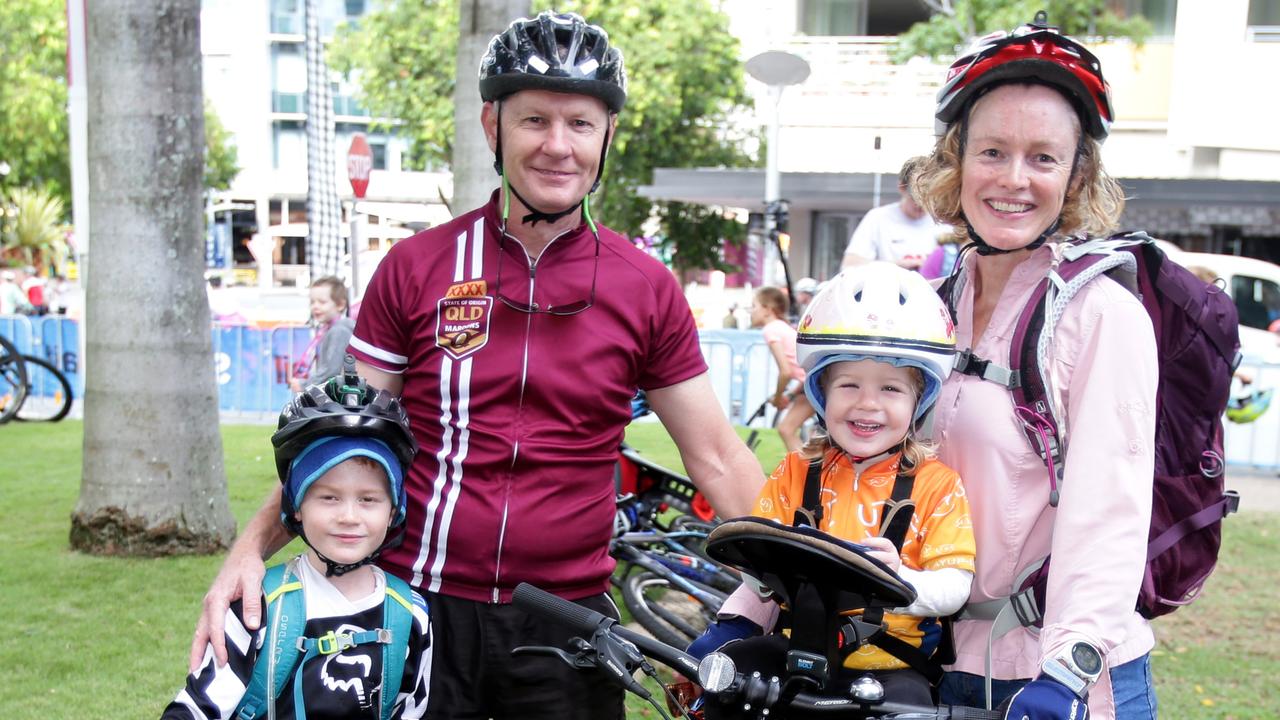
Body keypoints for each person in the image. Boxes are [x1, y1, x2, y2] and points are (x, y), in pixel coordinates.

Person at [190, 11, 763, 720]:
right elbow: (340, 444)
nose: (559, 146)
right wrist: (248, 551)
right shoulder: (416, 268)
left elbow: (715, 455)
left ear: (607, 134)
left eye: (581, 124)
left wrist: (794, 587)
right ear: (493, 127)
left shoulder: (645, 287)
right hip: (415, 605)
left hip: (567, 621)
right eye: (535, 121)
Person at [914, 14, 1158, 720]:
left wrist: (1067, 672)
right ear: (956, 157)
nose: (1013, 180)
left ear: (1076, 173)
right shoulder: (930, 307)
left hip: (1056, 678)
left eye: (1043, 159)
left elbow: (1108, 514)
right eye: (992, 151)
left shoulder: (1100, 316)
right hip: (935, 661)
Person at [688, 263, 975, 707]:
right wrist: (738, 615)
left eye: (891, 389)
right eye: (849, 384)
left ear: (921, 400)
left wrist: (901, 580)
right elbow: (758, 565)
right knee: (724, 681)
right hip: (794, 651)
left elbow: (956, 585)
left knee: (910, 712)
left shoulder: (937, 485)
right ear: (821, 392)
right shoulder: (795, 472)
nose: (867, 403)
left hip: (890, 665)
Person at [165, 371, 430, 719]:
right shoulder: (257, 607)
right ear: (296, 507)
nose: (349, 516)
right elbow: (198, 710)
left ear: (394, 510)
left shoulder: (410, 614)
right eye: (329, 498)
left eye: (368, 499)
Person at [842, 156, 949, 271]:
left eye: (927, 198)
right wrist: (895, 267)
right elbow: (849, 265)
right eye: (915, 197)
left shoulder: (946, 222)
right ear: (901, 188)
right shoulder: (878, 218)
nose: (920, 205)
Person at [750, 286, 814, 453]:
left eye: (754, 306)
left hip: (816, 384)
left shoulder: (770, 330)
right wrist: (791, 395)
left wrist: (778, 398)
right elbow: (803, 371)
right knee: (786, 429)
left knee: (787, 430)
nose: (751, 312)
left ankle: (808, 476)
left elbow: (785, 371)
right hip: (814, 382)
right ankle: (807, 474)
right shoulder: (782, 327)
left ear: (768, 310)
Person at [289, 276, 357, 392]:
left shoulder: (339, 331)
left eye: (322, 302)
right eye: (312, 302)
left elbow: (331, 371)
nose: (315, 306)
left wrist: (304, 385)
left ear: (340, 305)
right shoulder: (332, 329)